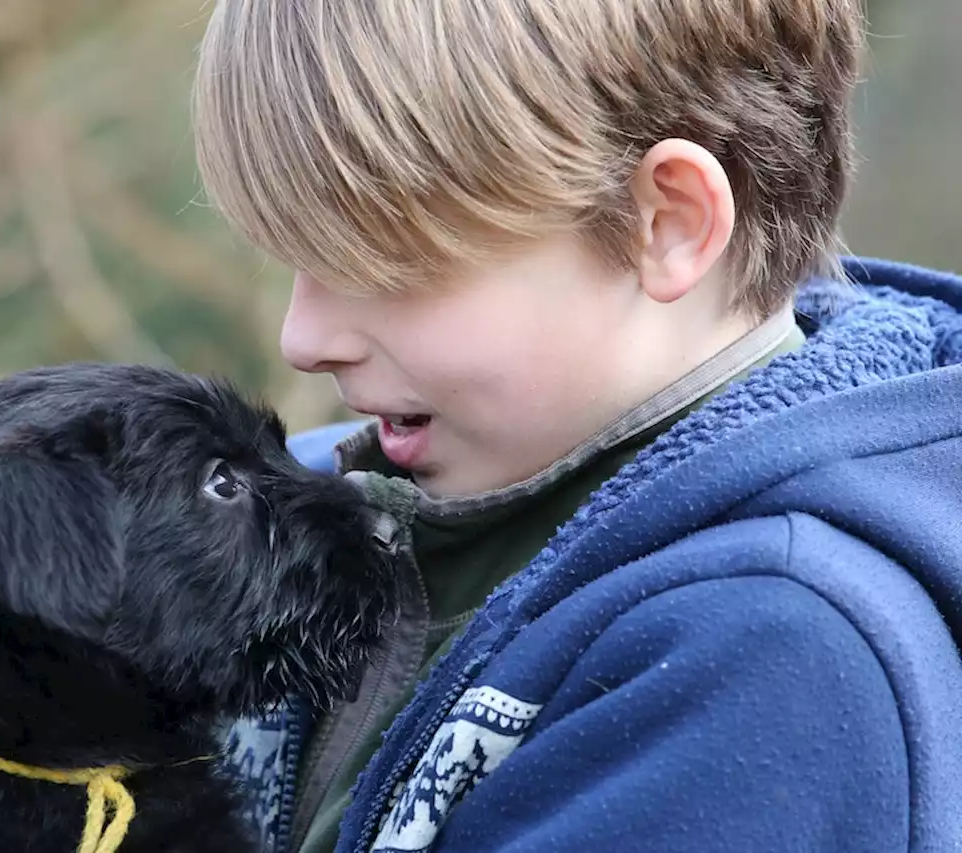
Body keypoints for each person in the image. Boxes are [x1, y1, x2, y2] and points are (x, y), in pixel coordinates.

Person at [191, 1, 962, 851]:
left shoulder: (772, 656)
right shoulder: (286, 503)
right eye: (293, 256)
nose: (301, 340)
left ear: (668, 223)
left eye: (381, 262)